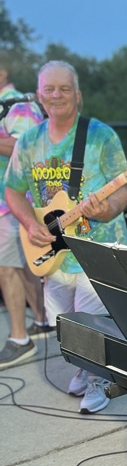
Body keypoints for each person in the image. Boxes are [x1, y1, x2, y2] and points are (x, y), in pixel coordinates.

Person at [5, 61, 127, 413]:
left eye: (64, 89)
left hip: (98, 246)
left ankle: (97, 381)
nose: (56, 95)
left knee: (91, 321)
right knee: (64, 320)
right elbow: (13, 191)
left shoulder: (100, 136)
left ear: (78, 95)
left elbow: (123, 191)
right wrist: (31, 225)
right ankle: (84, 367)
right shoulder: (29, 141)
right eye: (49, 89)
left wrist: (106, 209)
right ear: (40, 96)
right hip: (51, 248)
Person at [0, 61, 51, 370]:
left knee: (6, 268)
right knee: (23, 266)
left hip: (14, 202)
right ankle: (43, 321)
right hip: (7, 202)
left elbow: (24, 146)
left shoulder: (17, 104)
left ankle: (19, 339)